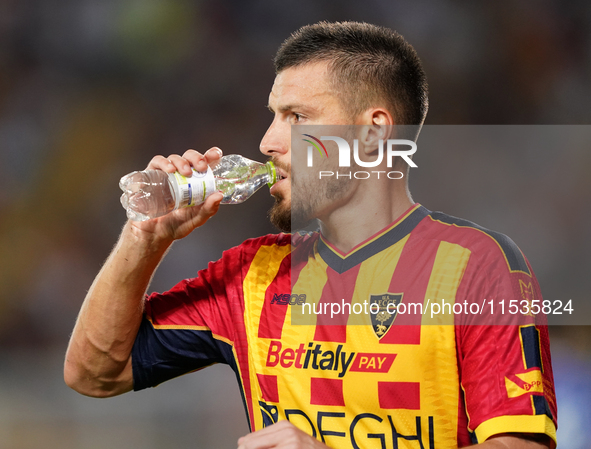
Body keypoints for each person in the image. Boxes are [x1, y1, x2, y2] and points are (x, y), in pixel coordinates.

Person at [64, 22, 557, 448]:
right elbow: (94, 373)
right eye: (274, 115)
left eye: (297, 117)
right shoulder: (252, 274)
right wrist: (143, 239)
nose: (267, 142)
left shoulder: (476, 266)